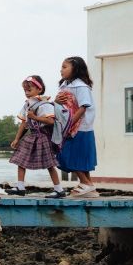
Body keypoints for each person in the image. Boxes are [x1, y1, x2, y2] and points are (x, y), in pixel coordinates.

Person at [6, 75, 64, 197]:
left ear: (39, 89)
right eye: (25, 90)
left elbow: (50, 121)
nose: (27, 93)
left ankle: (59, 189)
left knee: (49, 164)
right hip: (32, 136)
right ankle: (20, 187)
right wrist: (17, 138)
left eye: (30, 90)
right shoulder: (27, 105)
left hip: (43, 137)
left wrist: (35, 117)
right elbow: (24, 123)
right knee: (20, 160)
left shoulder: (44, 104)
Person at [55, 56, 98, 198]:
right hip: (68, 126)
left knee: (71, 156)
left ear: (76, 69)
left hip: (80, 127)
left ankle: (85, 183)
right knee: (78, 157)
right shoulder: (65, 85)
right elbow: (60, 104)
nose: (61, 70)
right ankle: (89, 186)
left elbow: (84, 106)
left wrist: (70, 123)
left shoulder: (81, 86)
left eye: (64, 67)